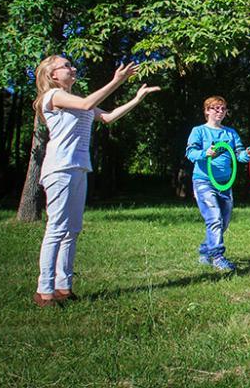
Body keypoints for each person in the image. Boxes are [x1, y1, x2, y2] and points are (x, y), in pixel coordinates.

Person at [32, 56, 159, 307]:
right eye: (67, 66)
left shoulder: (76, 100)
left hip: (78, 168)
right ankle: (44, 291)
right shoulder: (53, 97)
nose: (73, 68)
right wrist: (117, 80)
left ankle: (63, 287)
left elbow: (108, 117)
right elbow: (89, 102)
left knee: (72, 230)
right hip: (60, 168)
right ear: (52, 75)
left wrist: (136, 98)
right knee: (57, 229)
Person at [185, 96, 250, 272]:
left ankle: (205, 251)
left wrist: (247, 154)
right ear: (207, 111)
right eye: (216, 108)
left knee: (224, 221)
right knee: (214, 218)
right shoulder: (198, 131)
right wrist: (204, 153)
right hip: (204, 181)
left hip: (225, 183)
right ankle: (218, 257)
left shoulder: (230, 133)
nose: (220, 112)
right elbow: (190, 153)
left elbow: (238, 155)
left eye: (223, 109)